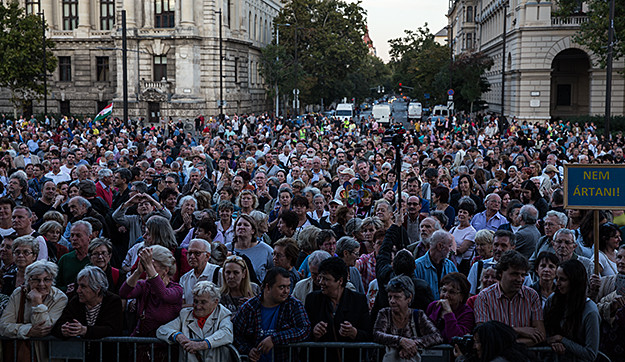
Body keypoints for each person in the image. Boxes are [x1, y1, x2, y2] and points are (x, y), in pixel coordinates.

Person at [233, 267, 311, 362]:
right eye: (281, 287)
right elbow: (236, 334)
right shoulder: (249, 308)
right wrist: (248, 350)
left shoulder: (294, 305)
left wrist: (274, 339)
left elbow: (304, 329)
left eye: (288, 287)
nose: (286, 291)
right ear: (268, 287)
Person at [305, 257, 371, 362]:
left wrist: (354, 333)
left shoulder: (358, 301)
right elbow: (304, 330)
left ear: (340, 280)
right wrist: (314, 332)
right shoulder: (312, 300)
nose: (321, 282)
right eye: (320, 278)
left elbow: (368, 334)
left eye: (326, 279)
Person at [0, 261, 68, 361]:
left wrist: (37, 303)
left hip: (45, 355)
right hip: (20, 354)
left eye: (46, 280)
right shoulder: (18, 293)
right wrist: (28, 331)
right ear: (29, 280)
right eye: (36, 280)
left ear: (52, 280)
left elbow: (44, 328)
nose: (42, 284)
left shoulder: (60, 298)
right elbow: (3, 326)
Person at [474, 250, 545, 346]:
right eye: (514, 274)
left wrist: (504, 342)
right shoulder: (484, 297)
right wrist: (519, 330)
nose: (520, 279)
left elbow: (540, 335)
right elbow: (484, 335)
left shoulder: (531, 296)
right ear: (500, 273)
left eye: (523, 275)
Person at [52, 266, 123, 360]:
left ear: (97, 288)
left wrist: (85, 330)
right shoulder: (76, 301)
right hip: (82, 357)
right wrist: (63, 330)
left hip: (107, 356)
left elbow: (113, 329)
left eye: (83, 286)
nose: (78, 290)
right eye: (78, 286)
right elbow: (59, 324)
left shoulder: (113, 301)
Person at [157, 281, 235, 362]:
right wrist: (178, 336)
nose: (198, 306)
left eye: (203, 302)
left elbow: (226, 333)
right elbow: (161, 330)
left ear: (215, 302)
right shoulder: (185, 314)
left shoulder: (223, 314)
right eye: (195, 301)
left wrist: (202, 344)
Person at [119, 245, 183, 340]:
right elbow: (124, 293)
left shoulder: (176, 289)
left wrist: (149, 266)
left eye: (152, 266)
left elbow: (163, 294)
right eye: (147, 266)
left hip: (165, 347)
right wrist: (138, 271)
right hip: (142, 345)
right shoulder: (144, 285)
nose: (148, 270)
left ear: (166, 270)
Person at [374, 275, 443, 362]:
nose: (392, 301)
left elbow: (437, 336)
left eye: (397, 297)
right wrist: (400, 341)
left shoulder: (418, 315)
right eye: (390, 297)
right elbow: (377, 334)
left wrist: (413, 344)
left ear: (409, 298)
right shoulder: (384, 314)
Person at [544, 259, 600, 361]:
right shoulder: (553, 300)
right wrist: (552, 341)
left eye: (563, 279)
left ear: (575, 282)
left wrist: (562, 340)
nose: (557, 283)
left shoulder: (590, 311)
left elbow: (590, 354)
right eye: (557, 278)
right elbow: (544, 331)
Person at [426, 272, 475, 343]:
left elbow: (457, 338)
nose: (446, 295)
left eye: (452, 292)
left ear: (462, 296)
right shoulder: (433, 306)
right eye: (444, 290)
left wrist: (448, 312)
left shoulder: (467, 313)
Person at [454, 321, 534, 362]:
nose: (475, 347)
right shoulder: (514, 356)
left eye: (478, 342)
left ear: (491, 343)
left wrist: (460, 359)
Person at [227, 214, 273, 282]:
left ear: (253, 231)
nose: (241, 227)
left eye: (246, 225)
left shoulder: (265, 249)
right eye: (239, 225)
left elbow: (274, 271)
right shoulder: (227, 248)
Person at [414, 230, 458, 300]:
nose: (451, 250)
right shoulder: (417, 266)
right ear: (440, 246)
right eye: (449, 246)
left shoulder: (450, 265)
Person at [180, 238, 221, 305]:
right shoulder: (184, 278)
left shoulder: (218, 273)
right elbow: (183, 304)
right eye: (189, 253)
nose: (192, 256)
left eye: (197, 253)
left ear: (207, 256)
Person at [56, 221, 93, 292]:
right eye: (72, 235)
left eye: (78, 235)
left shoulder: (97, 259)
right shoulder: (65, 259)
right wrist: (66, 289)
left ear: (89, 237)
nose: (74, 238)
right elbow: (56, 284)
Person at [451, 198, 477, 275]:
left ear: (470, 216)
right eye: (460, 212)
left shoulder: (471, 232)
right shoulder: (453, 229)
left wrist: (450, 248)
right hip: (453, 261)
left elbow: (461, 250)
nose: (461, 214)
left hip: (463, 266)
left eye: (465, 213)